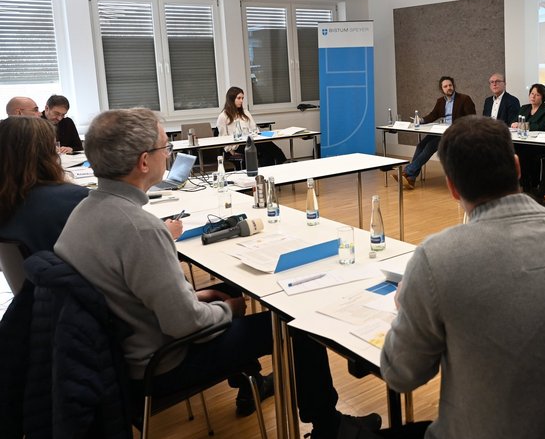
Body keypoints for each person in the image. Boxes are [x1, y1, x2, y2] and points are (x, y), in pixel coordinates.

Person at [54, 108, 380, 437]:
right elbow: (186, 324)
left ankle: (250, 382)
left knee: (229, 288)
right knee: (296, 326)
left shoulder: (82, 213)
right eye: (165, 147)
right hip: (162, 362)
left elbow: (132, 292)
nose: (168, 154)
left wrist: (196, 297)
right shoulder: (139, 228)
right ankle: (329, 427)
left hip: (122, 352)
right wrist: (227, 309)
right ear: (143, 162)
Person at [380, 116, 545, 439]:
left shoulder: (437, 257)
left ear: (452, 188)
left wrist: (406, 304)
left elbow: (400, 374)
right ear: (516, 166)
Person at [0, 117, 89, 292]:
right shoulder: (75, 199)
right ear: (48, 152)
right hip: (74, 298)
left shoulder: (8, 199)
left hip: (28, 298)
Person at [394, 76, 476, 189]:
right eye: (445, 86)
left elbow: (472, 118)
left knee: (429, 146)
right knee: (421, 145)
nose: (449, 88)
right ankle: (411, 179)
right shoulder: (440, 101)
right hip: (441, 130)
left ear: (453, 86)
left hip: (455, 132)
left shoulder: (464, 99)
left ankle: (407, 172)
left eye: (450, 85)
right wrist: (421, 120)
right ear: (442, 89)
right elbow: (433, 115)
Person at [216, 86, 286, 166]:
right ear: (231, 99)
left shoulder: (245, 112)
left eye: (242, 98)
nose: (241, 101)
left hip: (250, 140)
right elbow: (222, 138)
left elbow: (254, 128)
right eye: (239, 98)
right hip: (237, 145)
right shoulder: (223, 116)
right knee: (265, 146)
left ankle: (273, 166)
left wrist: (257, 135)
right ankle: (283, 162)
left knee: (266, 147)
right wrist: (231, 151)